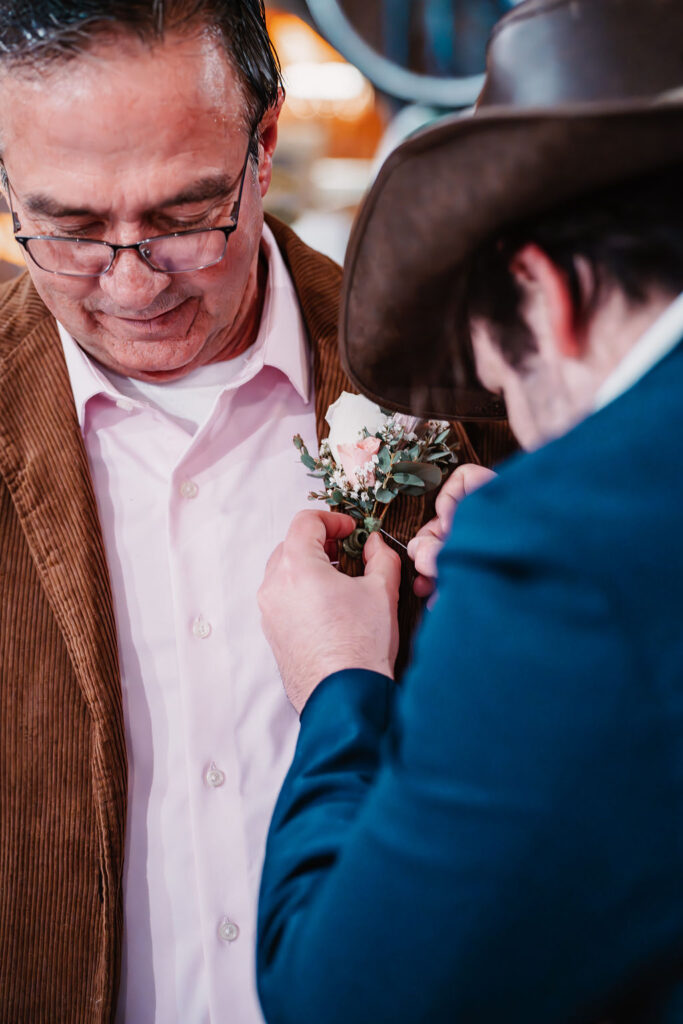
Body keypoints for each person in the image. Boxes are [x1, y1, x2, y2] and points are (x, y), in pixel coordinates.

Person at [0, 2, 513, 1021]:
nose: (131, 283)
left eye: (184, 217)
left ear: (264, 142)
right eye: (72, 229)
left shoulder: (475, 389)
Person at [256, 1, 683, 1021]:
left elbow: (339, 999)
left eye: (498, 374)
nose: (522, 427)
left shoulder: (564, 546)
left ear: (543, 292)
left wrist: (341, 683)